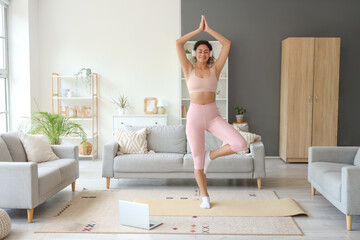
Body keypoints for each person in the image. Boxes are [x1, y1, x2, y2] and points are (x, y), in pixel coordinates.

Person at [176, 15, 247, 209]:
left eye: (206, 51)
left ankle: (211, 156)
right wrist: (198, 30)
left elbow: (227, 44)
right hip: (195, 117)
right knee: (197, 162)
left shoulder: (215, 69)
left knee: (240, 143)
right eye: (199, 51)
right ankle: (205, 197)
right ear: (195, 53)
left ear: (209, 54)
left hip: (213, 115)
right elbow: (178, 43)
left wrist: (209, 30)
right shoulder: (188, 68)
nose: (203, 53)